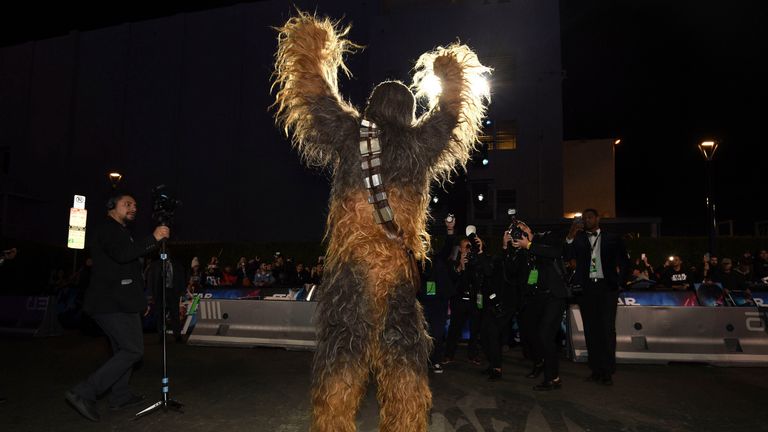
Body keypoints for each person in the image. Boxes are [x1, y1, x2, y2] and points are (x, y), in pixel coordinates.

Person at [64, 191, 170, 422]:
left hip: (122, 301)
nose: (133, 207)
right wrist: (153, 238)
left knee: (124, 350)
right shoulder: (107, 230)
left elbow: (128, 268)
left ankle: (120, 396)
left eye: (135, 204)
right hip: (110, 303)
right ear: (112, 206)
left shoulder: (121, 231)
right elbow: (124, 256)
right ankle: (84, 392)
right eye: (127, 204)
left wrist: (140, 302)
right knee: (133, 350)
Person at [565, 208, 629, 386]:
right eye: (585, 218)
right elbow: (567, 255)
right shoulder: (579, 239)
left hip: (607, 288)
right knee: (591, 329)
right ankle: (595, 369)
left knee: (607, 329)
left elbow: (624, 261)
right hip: (587, 289)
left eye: (590, 217)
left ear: (598, 219)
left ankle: (607, 371)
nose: (587, 220)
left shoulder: (611, 238)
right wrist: (571, 233)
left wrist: (620, 281)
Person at [511, 223, 570, 390]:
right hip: (539, 297)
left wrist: (529, 244)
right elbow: (516, 272)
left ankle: (553, 378)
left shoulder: (547, 237)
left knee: (545, 335)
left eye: (522, 229)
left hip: (555, 296)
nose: (520, 233)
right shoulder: (524, 251)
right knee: (536, 334)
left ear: (529, 229)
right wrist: (512, 248)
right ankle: (547, 371)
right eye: (517, 231)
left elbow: (555, 252)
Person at [418, 215, 458, 374]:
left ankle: (436, 361)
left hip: (439, 302)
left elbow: (448, 246)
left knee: (438, 333)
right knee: (422, 334)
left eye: (425, 243)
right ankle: (422, 362)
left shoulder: (438, 258)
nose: (424, 245)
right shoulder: (415, 262)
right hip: (422, 302)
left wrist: (449, 229)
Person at [443, 234, 486, 366]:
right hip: (459, 300)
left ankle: (473, 355)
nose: (468, 249)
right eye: (465, 247)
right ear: (460, 249)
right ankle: (449, 355)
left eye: (469, 247)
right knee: (454, 329)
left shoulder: (476, 260)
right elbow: (452, 280)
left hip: (474, 299)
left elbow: (481, 277)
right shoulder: (453, 261)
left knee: (475, 330)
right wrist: (460, 266)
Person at [147, 254, 188, 343]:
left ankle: (177, 335)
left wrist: (182, 291)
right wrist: (150, 294)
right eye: (161, 252)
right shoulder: (155, 265)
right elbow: (151, 279)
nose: (164, 254)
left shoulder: (177, 265)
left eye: (166, 252)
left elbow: (181, 278)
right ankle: (161, 336)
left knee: (175, 314)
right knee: (160, 315)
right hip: (159, 293)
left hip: (173, 292)